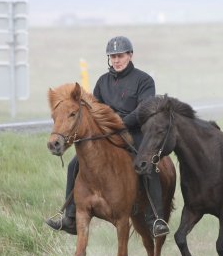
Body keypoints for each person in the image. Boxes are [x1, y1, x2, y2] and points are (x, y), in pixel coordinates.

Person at [46, 36, 169, 237]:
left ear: (130, 55)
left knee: (147, 164)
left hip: (134, 132)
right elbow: (95, 110)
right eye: (112, 57)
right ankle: (69, 218)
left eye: (120, 56)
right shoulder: (103, 82)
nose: (116, 60)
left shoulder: (144, 80)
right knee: (73, 165)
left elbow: (143, 111)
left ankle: (155, 219)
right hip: (106, 134)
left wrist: (119, 123)